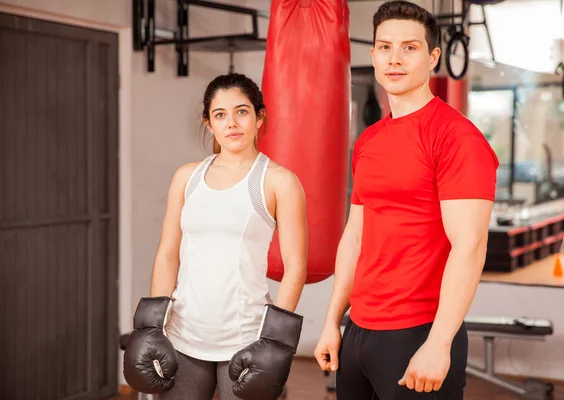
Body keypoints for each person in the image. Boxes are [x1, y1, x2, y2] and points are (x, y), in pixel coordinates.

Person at [314, 1, 499, 399]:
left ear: (433, 57)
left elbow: (470, 247)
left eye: (409, 48)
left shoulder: (456, 138)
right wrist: (332, 320)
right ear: (373, 55)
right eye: (385, 47)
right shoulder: (369, 140)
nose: (394, 59)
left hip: (417, 332)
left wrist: (439, 342)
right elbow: (354, 237)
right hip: (358, 331)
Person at [123, 73, 308, 400]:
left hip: (247, 338)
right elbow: (168, 253)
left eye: (242, 111)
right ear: (209, 123)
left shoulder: (279, 181)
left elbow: (295, 265)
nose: (232, 123)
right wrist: (152, 326)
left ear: (259, 117)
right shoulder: (187, 177)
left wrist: (275, 342)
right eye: (220, 115)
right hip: (182, 334)